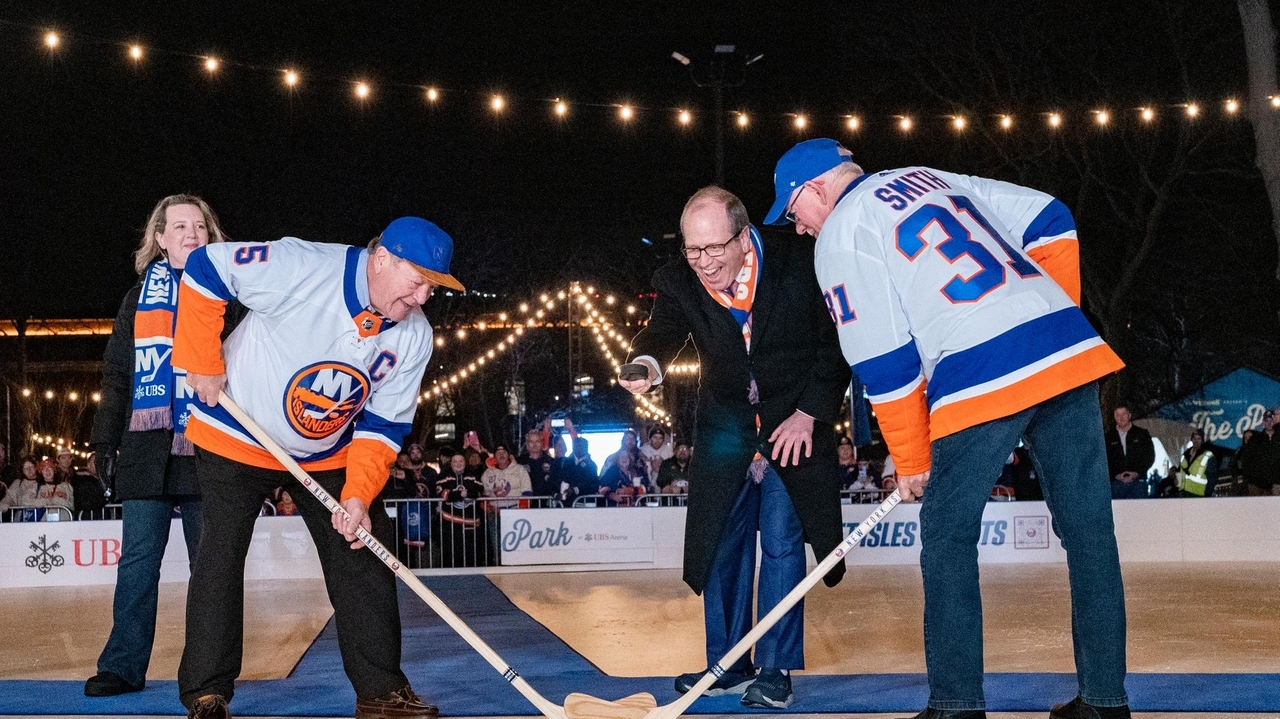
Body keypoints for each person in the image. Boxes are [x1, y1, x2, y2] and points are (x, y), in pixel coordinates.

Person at [765, 138, 1129, 719]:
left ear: (813, 190)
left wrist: (910, 460)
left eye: (793, 213)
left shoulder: (839, 233)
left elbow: (884, 360)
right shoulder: (925, 172)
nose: (800, 228)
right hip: (1067, 348)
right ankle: (1106, 702)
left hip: (980, 361)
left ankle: (957, 705)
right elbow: (1051, 216)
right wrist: (1049, 311)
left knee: (946, 533)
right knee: (1090, 534)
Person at [173, 216, 462, 719]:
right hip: (237, 433)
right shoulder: (302, 265)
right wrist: (201, 357)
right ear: (381, 259)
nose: (421, 298)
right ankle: (206, 692)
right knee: (220, 553)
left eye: (432, 289)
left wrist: (357, 494)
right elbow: (205, 267)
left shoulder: (414, 337)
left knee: (363, 548)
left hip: (328, 450)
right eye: (417, 281)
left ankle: (380, 691)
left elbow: (382, 426)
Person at [620, 185, 849, 709]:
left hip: (795, 421)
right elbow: (661, 333)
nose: (703, 262)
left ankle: (775, 667)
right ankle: (726, 663)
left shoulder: (800, 259)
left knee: (784, 543)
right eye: (692, 249)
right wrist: (645, 366)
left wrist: (809, 414)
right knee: (721, 540)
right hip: (727, 425)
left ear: (744, 237)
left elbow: (835, 344)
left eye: (715, 248)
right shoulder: (680, 279)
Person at [83, 195, 239, 698]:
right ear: (160, 238)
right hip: (147, 448)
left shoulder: (232, 297)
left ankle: (206, 677)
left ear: (210, 236)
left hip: (209, 444)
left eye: (199, 226)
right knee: (137, 563)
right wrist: (103, 442)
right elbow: (116, 375)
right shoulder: (136, 299)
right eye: (179, 226)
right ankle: (123, 666)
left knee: (210, 569)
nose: (191, 233)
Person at [1105, 406, 1155, 499]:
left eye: (1124, 414)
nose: (1121, 417)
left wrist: (1137, 473)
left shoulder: (1142, 434)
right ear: (1114, 417)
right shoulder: (1108, 437)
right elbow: (1104, 460)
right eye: (1118, 415)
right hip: (1116, 484)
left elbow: (1149, 456)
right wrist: (1116, 475)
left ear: (1129, 415)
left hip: (1138, 483)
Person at [1238, 409, 1280, 496]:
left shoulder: (1278, 438)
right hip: (1256, 484)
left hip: (1275, 484)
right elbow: (1246, 459)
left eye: (1271, 420)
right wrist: (1251, 478)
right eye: (1266, 420)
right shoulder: (1255, 439)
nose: (1269, 423)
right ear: (1263, 422)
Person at [516, 426, 559, 499]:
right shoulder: (519, 461)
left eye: (537, 441)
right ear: (527, 444)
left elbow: (556, 482)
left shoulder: (551, 461)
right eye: (531, 442)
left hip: (547, 503)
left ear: (542, 443)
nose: (534, 445)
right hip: (526, 503)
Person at [1176, 428, 1219, 498]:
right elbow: (1179, 471)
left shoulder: (1208, 456)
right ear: (1191, 440)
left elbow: (1212, 478)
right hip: (1183, 493)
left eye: (1199, 438)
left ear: (1202, 440)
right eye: (1194, 438)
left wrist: (1207, 495)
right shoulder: (1185, 455)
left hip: (1198, 494)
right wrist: (1178, 486)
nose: (1196, 441)